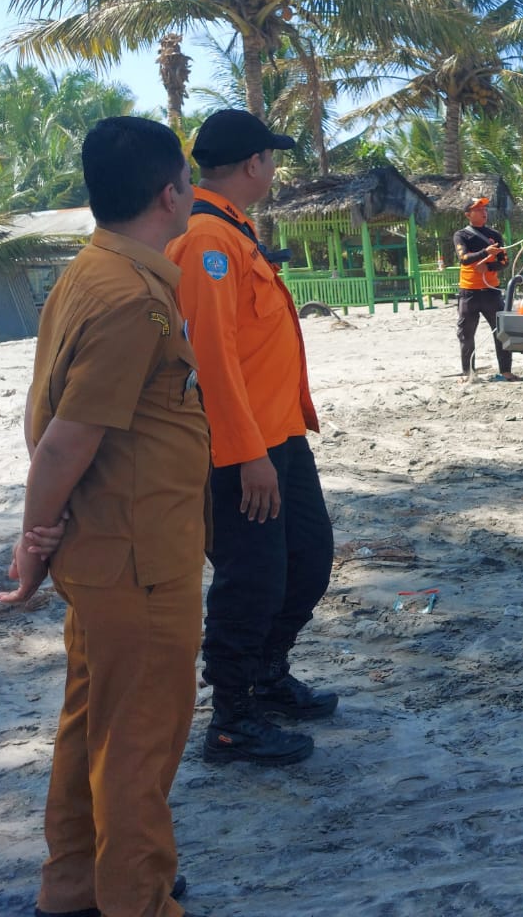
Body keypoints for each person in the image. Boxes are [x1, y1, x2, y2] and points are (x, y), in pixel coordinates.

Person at [0, 116, 208, 917]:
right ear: (169, 194)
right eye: (187, 177)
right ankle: (137, 901)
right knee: (139, 742)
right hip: (138, 562)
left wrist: (47, 537)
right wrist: (31, 545)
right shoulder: (132, 302)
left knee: (95, 725)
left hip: (108, 550)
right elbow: (64, 441)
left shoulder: (95, 272)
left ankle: (76, 887)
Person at [167, 108, 334, 767]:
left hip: (280, 436)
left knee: (307, 561)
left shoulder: (235, 232)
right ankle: (233, 719)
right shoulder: (206, 241)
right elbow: (210, 360)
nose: (274, 169)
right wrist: (245, 455)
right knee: (252, 581)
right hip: (242, 450)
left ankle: (268, 676)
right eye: (272, 158)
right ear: (254, 163)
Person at [454, 196, 514, 380]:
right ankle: (468, 373)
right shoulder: (461, 235)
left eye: (484, 209)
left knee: (501, 332)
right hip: (469, 292)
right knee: (466, 334)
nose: (483, 212)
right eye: (478, 210)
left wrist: (488, 267)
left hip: (491, 292)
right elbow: (463, 258)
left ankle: (505, 371)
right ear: (468, 214)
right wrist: (484, 253)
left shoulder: (495, 235)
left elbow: (504, 261)